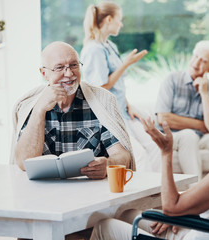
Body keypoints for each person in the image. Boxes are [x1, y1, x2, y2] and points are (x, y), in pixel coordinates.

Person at [89, 87, 209, 240]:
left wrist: (166, 152)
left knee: (104, 226)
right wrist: (182, 214)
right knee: (127, 214)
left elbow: (172, 206)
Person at [11, 41, 135, 179]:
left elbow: (123, 155)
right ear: (44, 73)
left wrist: (108, 164)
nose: (69, 74)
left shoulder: (102, 101)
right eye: (59, 68)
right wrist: (39, 109)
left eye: (74, 65)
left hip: (91, 192)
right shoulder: (29, 104)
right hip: (43, 194)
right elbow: (24, 163)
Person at [81, 2, 160, 172]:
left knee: (155, 145)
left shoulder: (110, 46)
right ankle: (142, 195)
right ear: (109, 19)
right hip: (110, 116)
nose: (121, 24)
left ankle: (159, 194)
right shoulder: (94, 50)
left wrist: (129, 105)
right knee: (139, 155)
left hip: (123, 111)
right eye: (119, 19)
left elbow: (117, 87)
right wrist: (126, 64)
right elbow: (101, 88)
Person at [155, 40, 209, 180]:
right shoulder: (172, 80)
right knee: (189, 136)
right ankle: (197, 190)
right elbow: (163, 119)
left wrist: (204, 93)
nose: (196, 63)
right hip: (173, 136)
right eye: (195, 56)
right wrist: (201, 125)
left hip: (200, 138)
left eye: (203, 61)